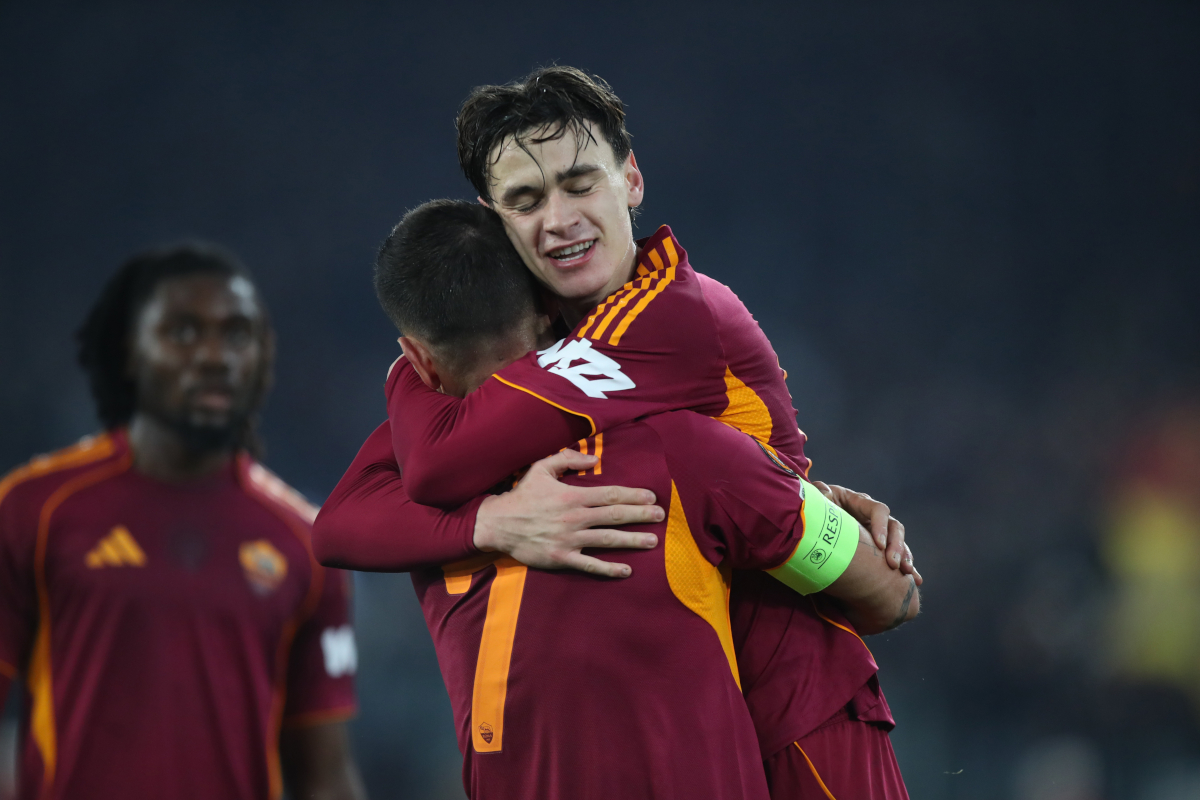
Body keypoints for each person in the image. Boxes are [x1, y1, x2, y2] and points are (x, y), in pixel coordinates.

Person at [373, 66, 916, 797]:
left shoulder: (663, 318)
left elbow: (433, 465)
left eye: (579, 183)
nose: (559, 218)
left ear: (630, 179)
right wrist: (495, 521)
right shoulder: (528, 338)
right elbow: (345, 520)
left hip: (793, 700)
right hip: (685, 720)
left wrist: (410, 388)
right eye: (526, 200)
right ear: (493, 218)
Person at [0, 244, 364, 800]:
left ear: (263, 356)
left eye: (237, 334)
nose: (215, 356)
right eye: (184, 333)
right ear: (130, 353)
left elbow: (325, 776)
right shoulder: (35, 509)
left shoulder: (306, 541)